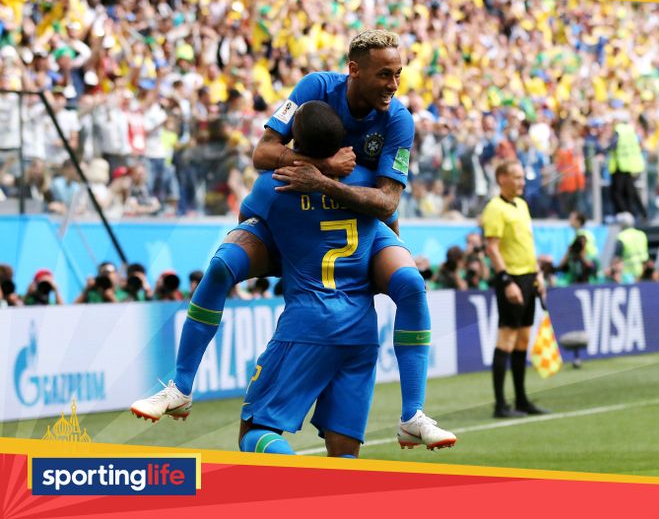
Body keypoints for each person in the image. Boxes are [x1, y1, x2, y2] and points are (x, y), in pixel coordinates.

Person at [130, 30, 455, 449]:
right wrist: (319, 167)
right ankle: (180, 386)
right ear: (353, 70)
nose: (393, 85)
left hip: (358, 222)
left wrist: (321, 182)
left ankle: (412, 414)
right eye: (385, 74)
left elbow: (388, 200)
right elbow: (263, 153)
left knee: (410, 284)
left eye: (398, 74)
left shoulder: (398, 119)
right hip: (300, 224)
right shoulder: (315, 88)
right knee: (221, 266)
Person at [236, 101, 393, 457]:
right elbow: (390, 230)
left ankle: (295, 487)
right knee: (344, 451)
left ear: (293, 143)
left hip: (307, 322)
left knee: (254, 430)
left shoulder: (273, 187)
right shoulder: (367, 186)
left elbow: (247, 230)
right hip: (361, 329)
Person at [482, 160, 549, 418]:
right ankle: (500, 404)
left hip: (529, 277)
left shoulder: (522, 205)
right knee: (507, 338)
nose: (522, 182)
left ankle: (521, 399)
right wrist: (506, 280)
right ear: (502, 178)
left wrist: (538, 274)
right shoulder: (495, 208)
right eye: (517, 177)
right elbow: (493, 248)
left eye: (523, 177)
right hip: (511, 279)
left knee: (523, 339)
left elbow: (527, 244)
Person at [613, 213, 649, 282]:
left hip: (626, 275)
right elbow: (645, 257)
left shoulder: (621, 236)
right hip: (641, 273)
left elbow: (617, 259)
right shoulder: (642, 235)